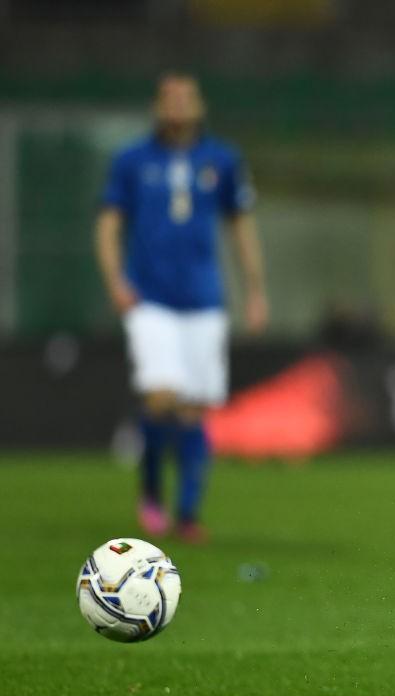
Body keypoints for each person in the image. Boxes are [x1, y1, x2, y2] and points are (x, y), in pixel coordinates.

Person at [95, 72, 269, 542]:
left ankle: (187, 515)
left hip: (204, 300)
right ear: (156, 106)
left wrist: (255, 289)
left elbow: (241, 226)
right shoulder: (131, 160)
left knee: (193, 410)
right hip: (150, 298)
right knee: (160, 396)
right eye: (169, 98)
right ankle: (151, 492)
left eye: (185, 97)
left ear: (200, 105)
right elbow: (110, 224)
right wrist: (115, 280)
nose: (177, 105)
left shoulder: (222, 159)